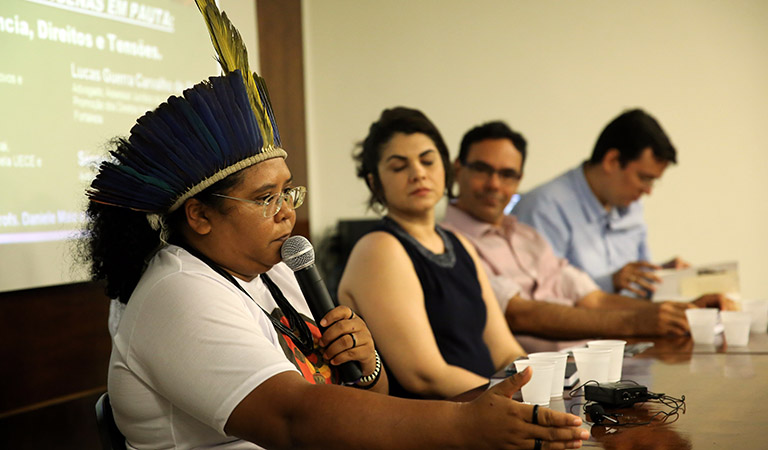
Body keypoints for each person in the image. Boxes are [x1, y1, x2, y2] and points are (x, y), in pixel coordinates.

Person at [80, 2, 588, 449]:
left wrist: (366, 365)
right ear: (199, 215)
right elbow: (294, 420)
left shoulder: (276, 273)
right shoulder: (177, 291)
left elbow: (364, 397)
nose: (286, 212)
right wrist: (461, 425)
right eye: (265, 198)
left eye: (288, 192)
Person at [442, 121, 732, 341]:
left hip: (591, 358)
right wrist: (639, 322)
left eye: (508, 175)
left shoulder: (524, 235)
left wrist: (682, 310)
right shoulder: (447, 243)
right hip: (545, 375)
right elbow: (521, 314)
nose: (494, 184)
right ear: (458, 169)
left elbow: (593, 298)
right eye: (482, 169)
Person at [338, 107, 529, 401]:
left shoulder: (459, 243)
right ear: (375, 183)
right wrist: (510, 400)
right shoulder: (378, 249)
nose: (418, 174)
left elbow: (505, 350)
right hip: (436, 417)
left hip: (486, 405)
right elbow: (425, 376)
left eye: (427, 161)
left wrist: (538, 386)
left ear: (446, 169)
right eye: (399, 167)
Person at [512, 109, 689, 297]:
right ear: (612, 161)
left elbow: (634, 281)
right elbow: (540, 296)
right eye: (644, 178)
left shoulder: (631, 205)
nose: (648, 191)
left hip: (632, 313)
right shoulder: (544, 208)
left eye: (653, 182)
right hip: (584, 316)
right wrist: (609, 283)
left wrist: (661, 276)